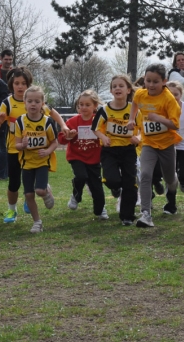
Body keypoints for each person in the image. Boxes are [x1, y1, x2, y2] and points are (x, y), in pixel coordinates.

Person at [0, 67, 69, 224]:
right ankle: (12, 210)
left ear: (29, 85)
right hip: (15, 149)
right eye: (16, 83)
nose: (20, 87)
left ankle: (35, 195)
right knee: (14, 182)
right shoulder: (7, 103)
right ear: (11, 84)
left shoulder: (37, 102)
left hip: (34, 152)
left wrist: (64, 126)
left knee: (33, 179)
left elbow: (53, 113)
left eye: (23, 83)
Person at [128, 63, 182, 228]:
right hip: (148, 143)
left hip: (166, 144)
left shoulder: (168, 100)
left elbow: (175, 125)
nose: (150, 85)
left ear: (164, 81)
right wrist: (131, 119)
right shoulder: (141, 94)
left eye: (155, 81)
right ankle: (146, 214)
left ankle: (172, 191)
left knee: (169, 178)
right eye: (148, 80)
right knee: (144, 175)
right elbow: (135, 103)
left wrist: (158, 118)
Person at [92, 74, 141, 226]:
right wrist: (103, 137)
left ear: (128, 90)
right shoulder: (105, 110)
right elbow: (95, 128)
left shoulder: (134, 110)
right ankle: (115, 188)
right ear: (111, 91)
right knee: (113, 180)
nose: (117, 88)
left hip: (128, 150)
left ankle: (127, 216)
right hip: (110, 150)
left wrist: (138, 137)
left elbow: (143, 129)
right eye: (114, 86)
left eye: (121, 86)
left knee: (130, 183)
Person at [14, 85, 58, 233]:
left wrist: (47, 151)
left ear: (42, 104)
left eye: (37, 101)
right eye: (30, 101)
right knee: (28, 194)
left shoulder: (47, 122)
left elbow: (54, 142)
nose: (33, 104)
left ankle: (45, 191)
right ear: (25, 103)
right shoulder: (19, 122)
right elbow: (17, 145)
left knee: (38, 190)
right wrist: (23, 145)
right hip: (26, 163)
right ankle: (37, 222)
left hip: (41, 162)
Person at [58, 89, 107, 219]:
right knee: (81, 176)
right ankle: (76, 195)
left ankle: (100, 209)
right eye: (81, 104)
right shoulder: (72, 121)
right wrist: (69, 136)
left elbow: (106, 135)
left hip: (94, 159)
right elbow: (61, 139)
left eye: (87, 104)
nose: (83, 107)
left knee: (96, 186)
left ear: (95, 106)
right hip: (77, 156)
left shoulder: (99, 121)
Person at [165, 81, 184, 193]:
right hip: (169, 144)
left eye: (175, 94)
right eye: (170, 95)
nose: (173, 98)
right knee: (170, 173)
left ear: (180, 94)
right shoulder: (163, 108)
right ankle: (170, 190)